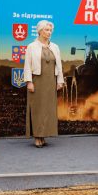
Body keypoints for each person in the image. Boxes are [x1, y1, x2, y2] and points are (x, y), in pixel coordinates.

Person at [24, 20, 64, 148]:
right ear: (40, 31)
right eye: (46, 30)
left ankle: (44, 135)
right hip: (37, 81)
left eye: (50, 30)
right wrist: (29, 82)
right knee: (37, 109)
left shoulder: (55, 47)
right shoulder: (31, 46)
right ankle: (37, 136)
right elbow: (27, 66)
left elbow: (59, 66)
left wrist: (60, 81)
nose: (49, 32)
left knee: (48, 109)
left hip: (50, 82)